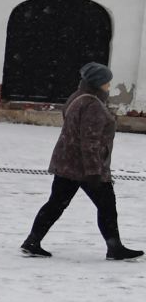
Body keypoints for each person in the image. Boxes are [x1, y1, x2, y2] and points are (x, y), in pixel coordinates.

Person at [22, 61, 141, 260]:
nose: (109, 86)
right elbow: (90, 141)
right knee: (107, 206)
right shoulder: (93, 105)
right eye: (107, 82)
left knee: (56, 203)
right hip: (85, 167)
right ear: (98, 83)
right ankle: (115, 248)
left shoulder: (76, 97)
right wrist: (94, 172)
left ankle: (32, 241)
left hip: (66, 162)